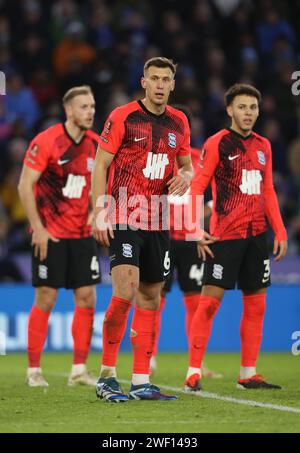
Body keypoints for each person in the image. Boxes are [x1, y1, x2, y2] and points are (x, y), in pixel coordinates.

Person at [92, 57, 193, 402]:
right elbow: (101, 163)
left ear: (173, 84)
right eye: (155, 78)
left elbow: (188, 166)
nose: (161, 84)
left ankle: (140, 380)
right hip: (123, 212)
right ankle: (106, 375)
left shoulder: (180, 121)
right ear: (144, 82)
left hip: (158, 219)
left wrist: (185, 177)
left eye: (167, 79)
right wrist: (99, 210)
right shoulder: (122, 116)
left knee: (151, 296)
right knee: (125, 291)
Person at [184, 83, 288, 392]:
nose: (248, 113)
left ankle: (248, 373)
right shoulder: (217, 143)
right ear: (230, 109)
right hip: (224, 237)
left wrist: (279, 229)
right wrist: (193, 227)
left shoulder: (264, 146)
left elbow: (268, 189)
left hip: (257, 237)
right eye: (242, 107)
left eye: (253, 108)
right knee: (209, 304)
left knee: (256, 306)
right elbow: (197, 186)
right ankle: (193, 371)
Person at [18, 85, 101, 387]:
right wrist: (37, 228)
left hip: (81, 234)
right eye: (84, 107)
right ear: (68, 110)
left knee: (87, 296)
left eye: (92, 106)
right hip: (50, 234)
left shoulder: (96, 145)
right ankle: (33, 371)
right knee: (46, 296)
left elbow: (101, 186)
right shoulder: (47, 141)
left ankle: (79, 370)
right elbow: (25, 185)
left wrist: (97, 211)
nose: (90, 111)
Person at [150, 105, 222, 379]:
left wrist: (202, 214)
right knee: (155, 299)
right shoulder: (155, 159)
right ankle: (149, 357)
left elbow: (216, 195)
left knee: (195, 302)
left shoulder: (198, 160)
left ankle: (197, 363)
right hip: (163, 238)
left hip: (192, 241)